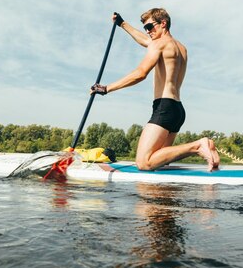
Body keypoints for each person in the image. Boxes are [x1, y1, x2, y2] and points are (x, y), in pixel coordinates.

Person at [90, 9, 220, 171]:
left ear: (163, 23)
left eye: (150, 26)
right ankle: (200, 149)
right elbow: (145, 40)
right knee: (160, 159)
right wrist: (123, 24)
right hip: (177, 110)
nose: (148, 31)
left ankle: (199, 145)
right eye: (146, 28)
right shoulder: (181, 48)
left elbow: (140, 73)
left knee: (144, 162)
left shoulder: (159, 44)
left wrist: (107, 88)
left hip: (164, 108)